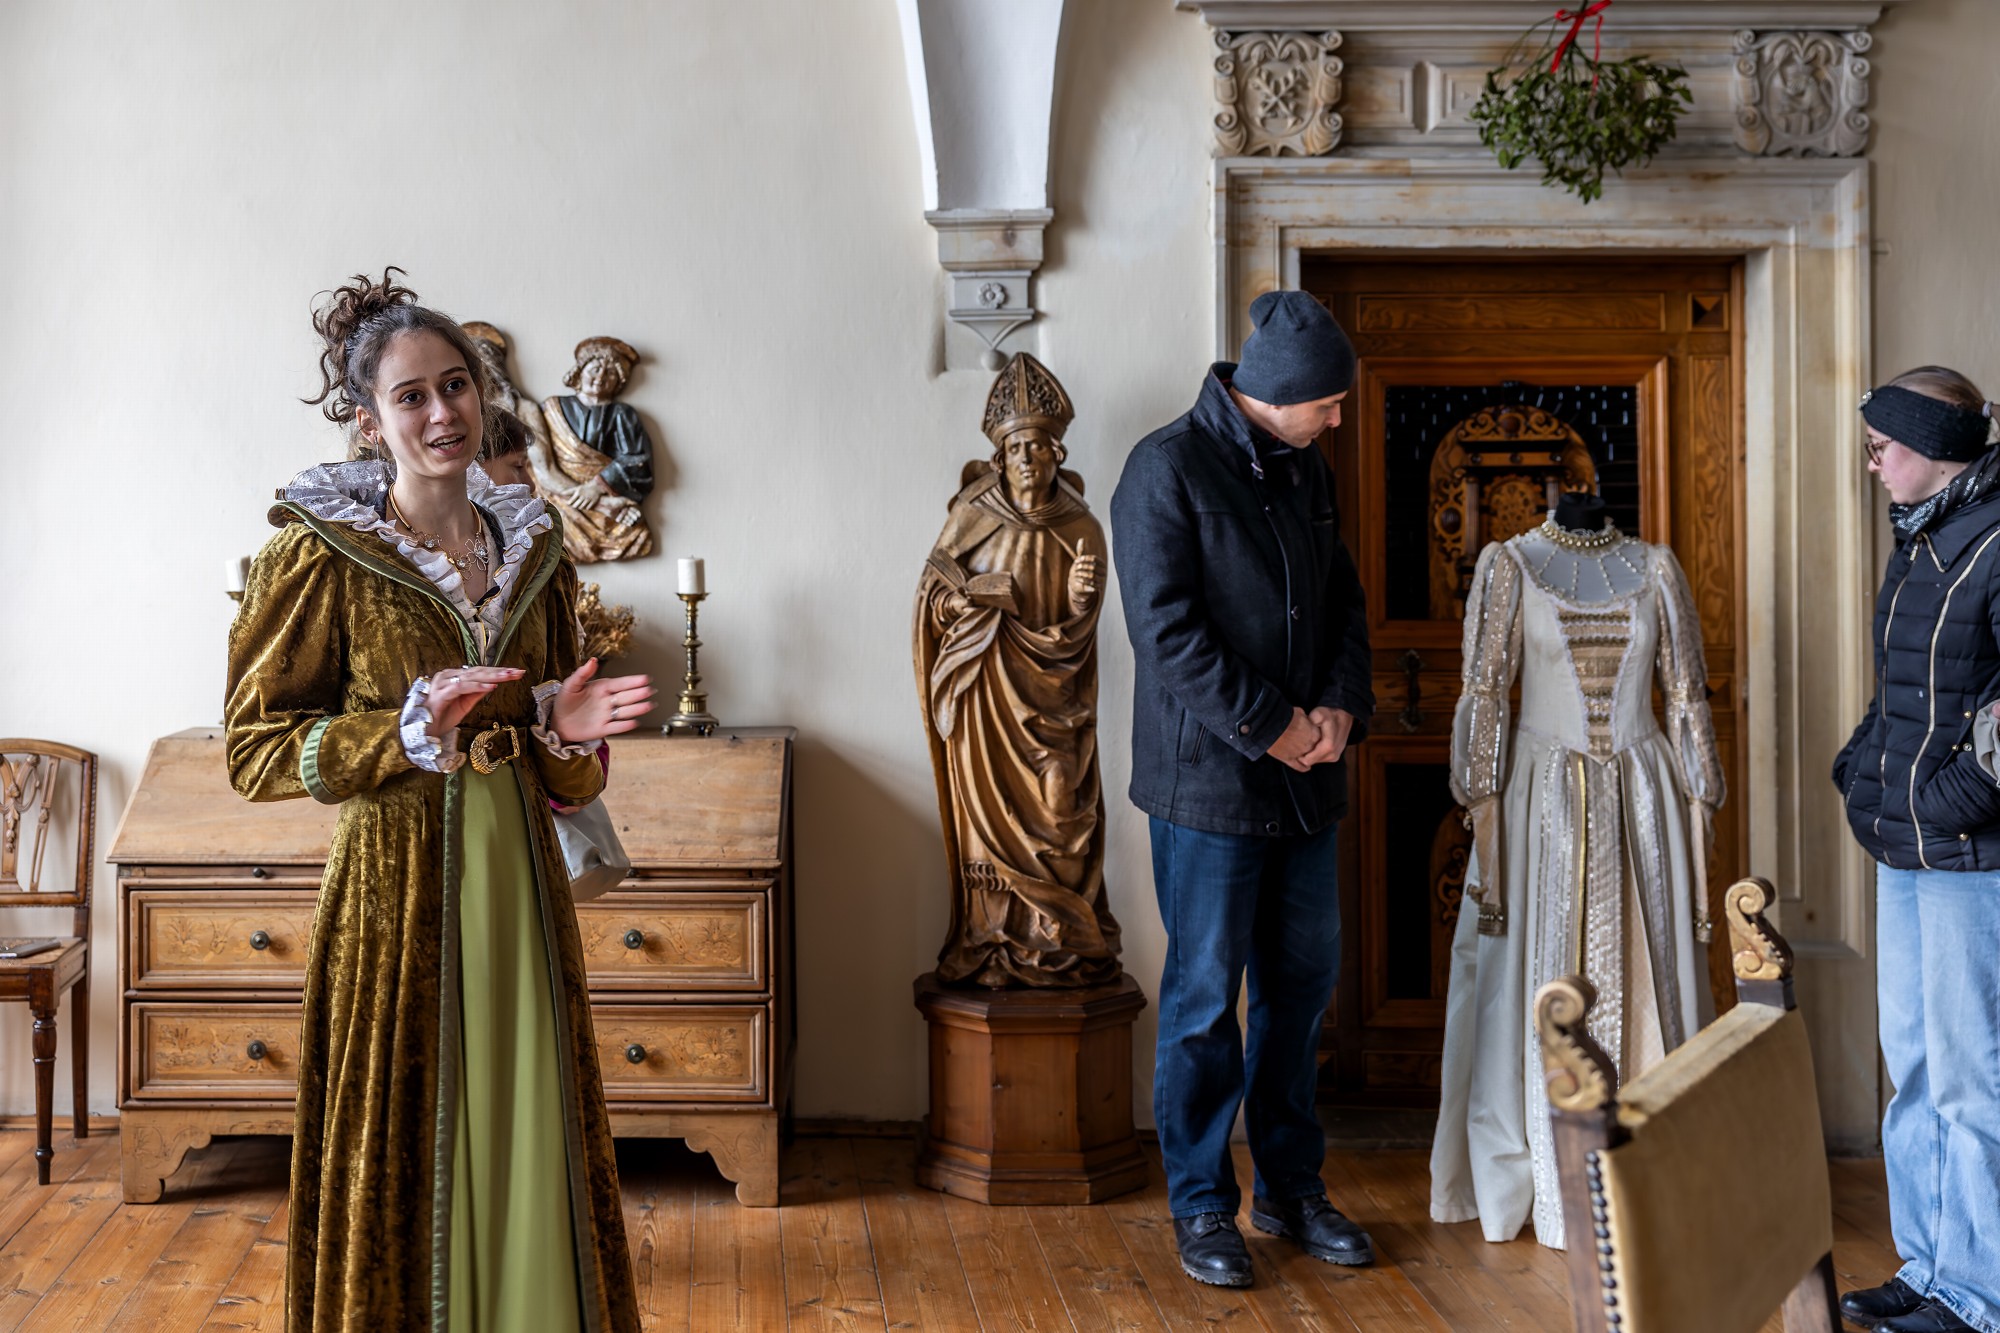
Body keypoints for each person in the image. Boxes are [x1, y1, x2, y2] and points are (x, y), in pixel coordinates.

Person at [225, 268, 653, 1332]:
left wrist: (564, 729)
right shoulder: (319, 555)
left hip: (520, 886)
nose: (440, 413)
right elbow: (255, 749)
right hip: (397, 891)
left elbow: (563, 775)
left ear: (482, 394)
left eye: (454, 385)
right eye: (410, 396)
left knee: (525, 1107)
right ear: (370, 422)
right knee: (407, 1127)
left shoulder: (534, 547)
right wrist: (406, 732)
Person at [1110, 290, 1375, 1288]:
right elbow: (1165, 633)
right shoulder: (1164, 467)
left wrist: (1339, 707)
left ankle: (1291, 1190)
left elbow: (1343, 603)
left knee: (1299, 995)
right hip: (1208, 790)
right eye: (1329, 403)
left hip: (1307, 787)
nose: (1337, 419)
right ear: (1280, 392)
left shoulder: (1307, 467)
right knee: (1200, 1003)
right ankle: (1201, 1204)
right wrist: (1273, 726)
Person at [1835, 367, 2000, 1333]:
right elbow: (1900, 690)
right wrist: (1863, 770)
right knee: (1914, 1062)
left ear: (1934, 448)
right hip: (1905, 846)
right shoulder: (1921, 535)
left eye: (1881, 447)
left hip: (1971, 856)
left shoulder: (1995, 543)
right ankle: (1929, 1265)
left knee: (1973, 1076)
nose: (1873, 463)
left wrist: (1951, 801)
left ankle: (1977, 1295)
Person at [913, 352, 1120, 987]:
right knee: (987, 828)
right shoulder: (971, 517)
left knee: (1061, 807)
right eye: (1015, 448)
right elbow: (933, 601)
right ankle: (992, 940)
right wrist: (964, 602)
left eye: (1037, 446)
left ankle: (1061, 939)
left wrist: (1082, 600)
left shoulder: (1081, 527)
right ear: (1000, 458)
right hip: (984, 698)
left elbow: (1082, 629)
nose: (1027, 458)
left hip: (1054, 702)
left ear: (1057, 454)